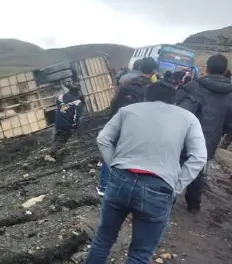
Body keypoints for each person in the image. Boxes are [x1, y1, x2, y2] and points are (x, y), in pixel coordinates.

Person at [86, 81, 207, 264]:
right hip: (159, 188)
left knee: (103, 240)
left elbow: (103, 139)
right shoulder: (189, 119)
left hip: (121, 180)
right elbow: (199, 157)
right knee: (140, 254)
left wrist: (115, 167)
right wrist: (177, 186)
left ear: (145, 97)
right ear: (173, 101)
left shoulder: (128, 111)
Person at [176, 54, 232, 213]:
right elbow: (230, 125)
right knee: (197, 171)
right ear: (225, 70)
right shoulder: (230, 94)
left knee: (176, 165)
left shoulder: (193, 86)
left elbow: (176, 108)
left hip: (184, 135)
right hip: (209, 140)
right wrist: (219, 131)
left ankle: (169, 198)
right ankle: (193, 206)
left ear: (206, 68)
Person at [95, 58, 159, 196]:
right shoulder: (153, 89)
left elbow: (114, 103)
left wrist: (110, 123)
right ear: (153, 71)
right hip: (138, 129)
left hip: (120, 123)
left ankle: (104, 186)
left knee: (112, 152)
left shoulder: (126, 83)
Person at [45, 83, 83, 161]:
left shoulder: (60, 97)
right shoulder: (78, 102)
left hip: (58, 121)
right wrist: (75, 126)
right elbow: (77, 116)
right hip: (67, 124)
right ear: (78, 91)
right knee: (62, 138)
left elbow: (62, 107)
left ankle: (54, 150)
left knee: (57, 135)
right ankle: (51, 154)